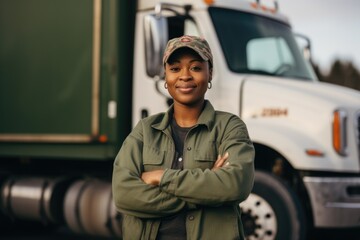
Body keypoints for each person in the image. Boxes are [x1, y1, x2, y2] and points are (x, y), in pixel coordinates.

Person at [112, 35, 255, 240]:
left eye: (196, 68)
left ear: (210, 73)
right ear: (165, 77)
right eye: (175, 68)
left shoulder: (229, 127)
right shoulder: (145, 129)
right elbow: (124, 194)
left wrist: (162, 177)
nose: (185, 76)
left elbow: (235, 184)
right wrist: (201, 194)